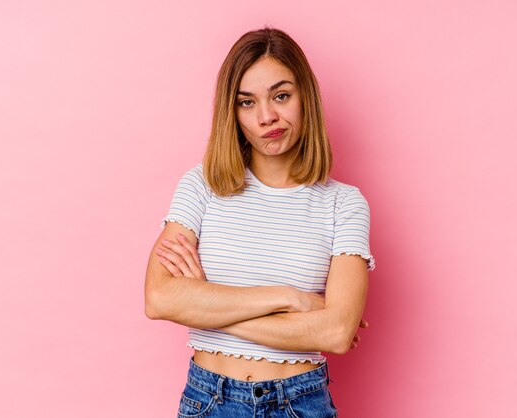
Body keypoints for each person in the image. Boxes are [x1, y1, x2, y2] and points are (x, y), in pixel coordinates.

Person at [144, 26, 375, 418]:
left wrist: (207, 305)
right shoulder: (202, 186)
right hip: (209, 399)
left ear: (305, 97)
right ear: (231, 113)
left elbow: (336, 333)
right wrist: (289, 298)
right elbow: (159, 298)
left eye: (281, 96)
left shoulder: (344, 204)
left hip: (300, 403)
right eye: (247, 102)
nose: (267, 116)